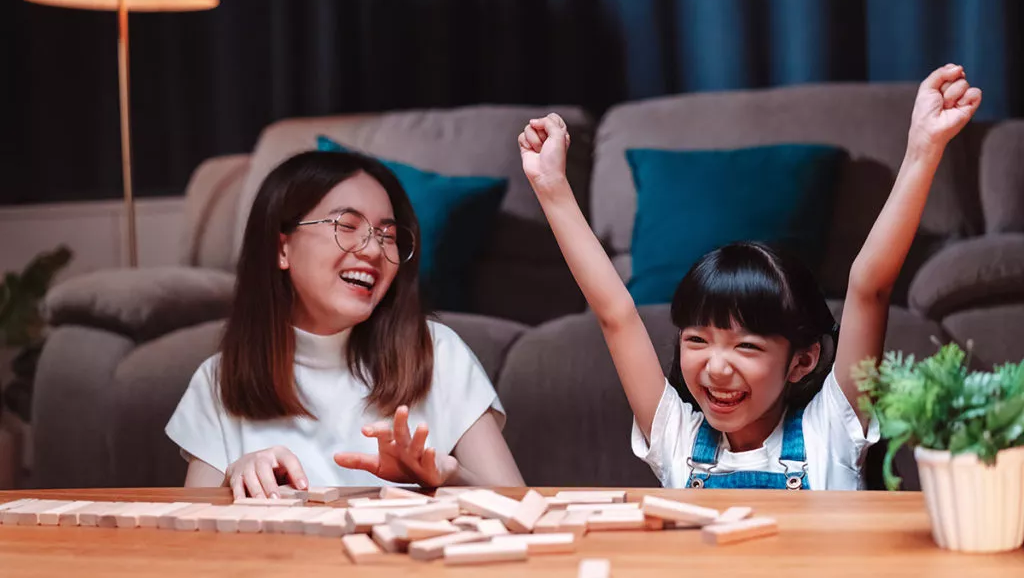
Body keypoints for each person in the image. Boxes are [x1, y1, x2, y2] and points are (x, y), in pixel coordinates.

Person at [519, 64, 981, 490]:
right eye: (697, 340)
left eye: (746, 346)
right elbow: (616, 313)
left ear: (801, 362)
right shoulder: (676, 438)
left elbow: (870, 286)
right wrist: (551, 187)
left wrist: (924, 150)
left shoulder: (833, 430)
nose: (717, 367)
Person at [166, 150, 524, 498]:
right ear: (281, 249)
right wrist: (235, 482)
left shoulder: (437, 353)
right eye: (347, 226)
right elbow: (192, 543)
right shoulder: (219, 379)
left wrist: (448, 478)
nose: (372, 250)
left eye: (387, 235)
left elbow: (522, 510)